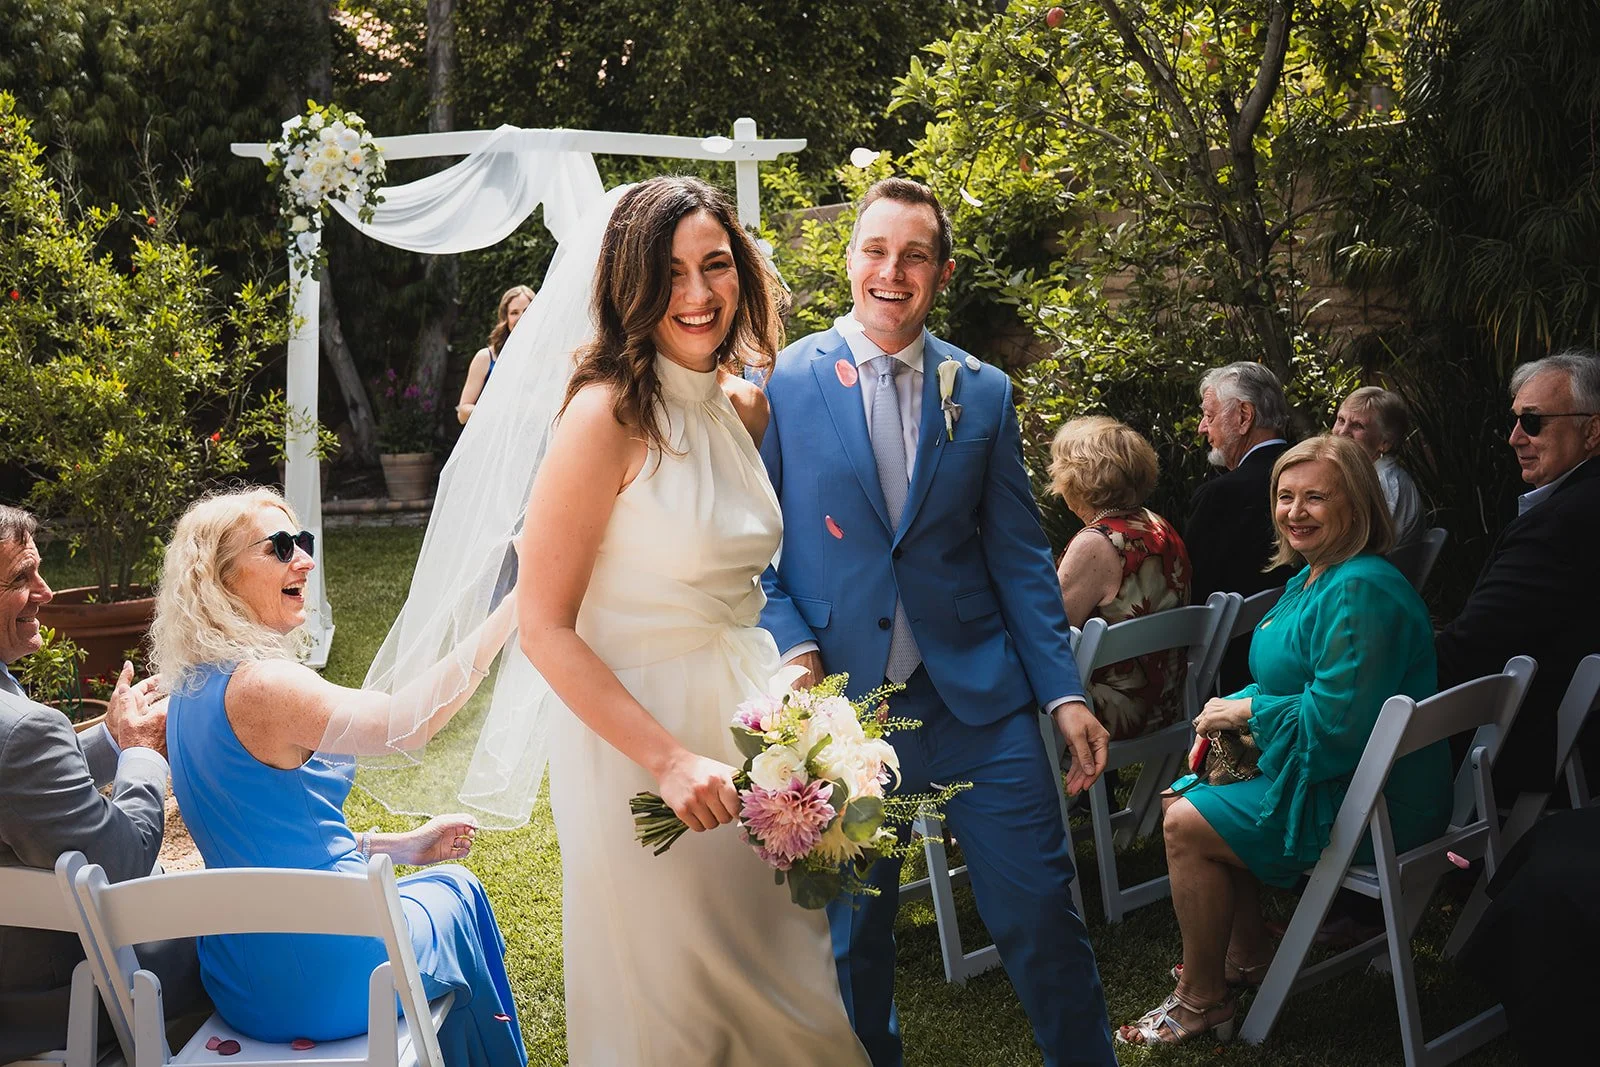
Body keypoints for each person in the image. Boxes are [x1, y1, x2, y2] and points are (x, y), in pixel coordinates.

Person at [758, 177, 1115, 1067]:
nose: (892, 270)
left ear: (941, 272)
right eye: (876, 250)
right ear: (849, 262)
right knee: (854, 940)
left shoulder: (982, 391)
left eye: (914, 254)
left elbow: (1021, 558)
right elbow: (751, 550)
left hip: (977, 702)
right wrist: (796, 650)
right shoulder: (784, 382)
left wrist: (1063, 694)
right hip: (846, 709)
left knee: (1040, 908)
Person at [515, 177, 871, 1065]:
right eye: (671, 273)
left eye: (716, 265)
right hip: (639, 746)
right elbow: (543, 626)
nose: (700, 294)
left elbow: (737, 574)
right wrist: (667, 758)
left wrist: (794, 692)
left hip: (749, 729)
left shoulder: (745, 405)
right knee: (680, 1013)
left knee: (794, 996)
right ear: (630, 287)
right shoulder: (603, 418)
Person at [148, 488, 525, 1063]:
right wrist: (516, 605)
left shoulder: (188, 690)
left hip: (242, 980)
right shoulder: (263, 684)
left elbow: (268, 836)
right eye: (279, 547)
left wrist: (398, 845)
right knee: (459, 890)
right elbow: (405, 725)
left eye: (303, 542)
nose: (305, 559)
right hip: (329, 975)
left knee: (433, 889)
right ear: (218, 577)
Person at [1119, 435, 1452, 1047]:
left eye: (1315, 497)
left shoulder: (1359, 589)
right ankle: (1246, 955)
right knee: (1184, 798)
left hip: (1373, 800)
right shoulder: (1315, 576)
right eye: (1285, 496)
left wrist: (1245, 710)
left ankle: (1201, 999)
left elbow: (1337, 727)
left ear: (1354, 505)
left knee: (1183, 823)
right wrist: (1239, 717)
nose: (1294, 511)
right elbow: (1294, 681)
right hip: (1351, 776)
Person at [0, 505, 204, 1060]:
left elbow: (20, 788)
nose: (45, 592)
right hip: (56, 999)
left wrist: (113, 738)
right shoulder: (22, 731)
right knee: (248, 942)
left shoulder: (18, 729)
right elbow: (122, 862)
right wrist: (142, 756)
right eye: (21, 579)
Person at [1436, 349, 1600, 797]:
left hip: (1514, 753)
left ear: (1592, 430)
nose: (1514, 438)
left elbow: (1469, 651)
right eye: (1514, 421)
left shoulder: (1563, 525)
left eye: (1532, 422)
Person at [1049, 415, 1192, 740]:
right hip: (1165, 702)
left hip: (1110, 715)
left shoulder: (1095, 544)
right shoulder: (1159, 526)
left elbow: (1051, 635)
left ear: (1076, 478)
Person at [1185, 361, 1297, 690]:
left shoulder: (1222, 496)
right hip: (1293, 652)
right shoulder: (1315, 472)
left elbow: (1194, 598)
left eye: (1209, 415)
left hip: (1240, 675)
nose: (1202, 429)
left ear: (1243, 417)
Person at [1332, 385, 1425, 547]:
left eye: (1357, 425)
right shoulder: (1365, 475)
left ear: (1385, 443)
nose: (1342, 432)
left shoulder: (1384, 483)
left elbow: (1361, 548)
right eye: (1341, 420)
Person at [456, 285, 534, 424]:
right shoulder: (486, 357)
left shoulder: (545, 358)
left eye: (527, 311)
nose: (522, 317)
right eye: (514, 312)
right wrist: (497, 411)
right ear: (505, 318)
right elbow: (462, 413)